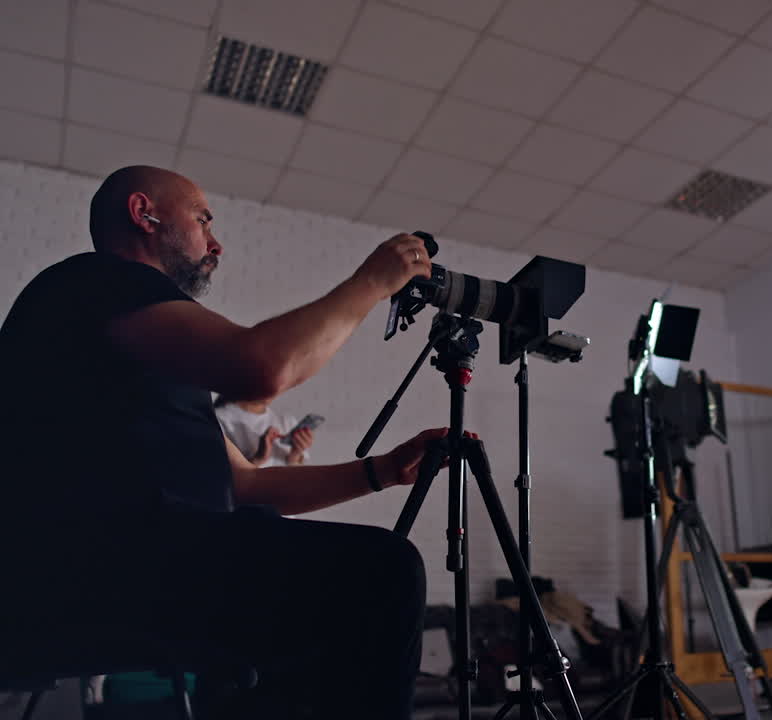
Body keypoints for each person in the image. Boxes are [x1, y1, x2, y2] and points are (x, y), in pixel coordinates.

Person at [0, 165, 443, 719]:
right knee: (384, 575)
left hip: (143, 565)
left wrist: (381, 471)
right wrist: (375, 281)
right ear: (145, 214)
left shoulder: (146, 357)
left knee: (328, 608)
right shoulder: (97, 282)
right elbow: (263, 366)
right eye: (202, 220)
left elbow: (246, 484)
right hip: (97, 568)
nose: (216, 242)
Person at [215, 394, 315, 467]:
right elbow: (217, 479)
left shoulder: (287, 422)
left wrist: (295, 455)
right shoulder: (218, 420)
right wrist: (257, 459)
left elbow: (294, 479)